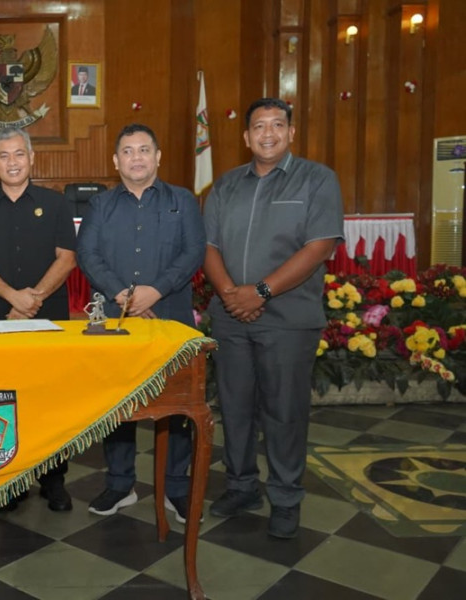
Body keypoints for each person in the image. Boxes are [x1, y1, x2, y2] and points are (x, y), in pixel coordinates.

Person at [203, 98, 343, 539]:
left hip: (288, 318)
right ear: (246, 137)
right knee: (235, 406)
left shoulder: (318, 180)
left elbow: (318, 246)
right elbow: (209, 247)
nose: (268, 133)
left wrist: (260, 292)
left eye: (277, 125)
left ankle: (285, 496)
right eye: (259, 126)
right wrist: (231, 295)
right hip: (231, 318)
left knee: (284, 411)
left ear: (291, 132)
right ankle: (242, 485)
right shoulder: (225, 186)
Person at [77, 123, 205, 521]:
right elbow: (88, 254)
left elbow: (193, 252)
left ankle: (176, 487)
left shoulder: (182, 201)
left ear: (158, 156)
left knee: (178, 407)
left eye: (144, 150)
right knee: (119, 405)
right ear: (116, 161)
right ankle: (119, 484)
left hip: (171, 319)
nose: (137, 157)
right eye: (128, 151)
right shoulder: (100, 205)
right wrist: (126, 296)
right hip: (118, 321)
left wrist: (156, 291)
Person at [0, 127, 76, 512]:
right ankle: (9, 478)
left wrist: (33, 299)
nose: (12, 162)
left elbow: (67, 258)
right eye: (4, 156)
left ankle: (54, 479)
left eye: (19, 154)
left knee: (49, 397)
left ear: (32, 158)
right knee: (2, 397)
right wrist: (13, 298)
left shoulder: (56, 203)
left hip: (46, 316)